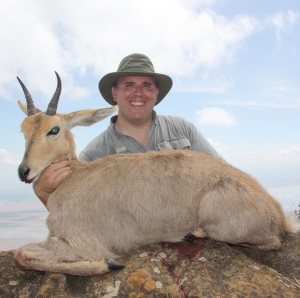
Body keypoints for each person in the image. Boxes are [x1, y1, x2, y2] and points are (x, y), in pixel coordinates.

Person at [34, 53, 221, 206]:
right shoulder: (94, 154)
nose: (138, 93)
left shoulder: (182, 129)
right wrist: (43, 192)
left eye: (146, 86)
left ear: (156, 93)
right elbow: (75, 215)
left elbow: (221, 175)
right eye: (129, 85)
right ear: (115, 93)